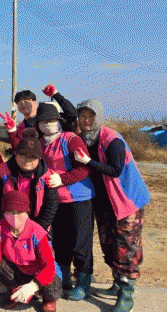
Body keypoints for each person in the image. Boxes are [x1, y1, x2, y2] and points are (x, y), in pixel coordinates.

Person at [76, 100, 150, 312]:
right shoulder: (86, 138)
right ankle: (117, 285)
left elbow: (115, 169)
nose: (86, 120)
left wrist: (88, 162)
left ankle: (126, 296)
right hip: (105, 202)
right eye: (83, 116)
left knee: (126, 249)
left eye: (91, 116)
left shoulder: (112, 140)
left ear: (98, 117)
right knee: (109, 245)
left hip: (126, 201)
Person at [35, 102, 95, 301]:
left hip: (79, 198)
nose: (48, 124)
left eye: (52, 120)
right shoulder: (40, 143)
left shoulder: (71, 139)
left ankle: (84, 284)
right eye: (43, 121)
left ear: (58, 121)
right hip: (55, 200)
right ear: (38, 124)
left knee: (80, 242)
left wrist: (63, 179)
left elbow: (85, 168)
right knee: (60, 242)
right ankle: (64, 279)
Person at [0, 190, 62, 312]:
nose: (14, 216)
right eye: (10, 212)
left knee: (51, 283)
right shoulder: (0, 228)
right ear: (4, 212)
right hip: (20, 270)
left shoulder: (37, 232)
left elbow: (49, 266)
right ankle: (16, 292)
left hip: (41, 272)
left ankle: (49, 300)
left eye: (19, 212)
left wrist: (32, 286)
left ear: (27, 213)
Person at [0, 128, 59, 230]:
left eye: (32, 157)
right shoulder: (2, 172)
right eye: (23, 155)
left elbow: (50, 206)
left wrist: (37, 229)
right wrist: (4, 225)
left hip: (37, 225)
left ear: (39, 158)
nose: (27, 160)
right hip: (7, 225)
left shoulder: (47, 176)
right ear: (16, 155)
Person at [0, 85, 77, 149]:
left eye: (26, 100)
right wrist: (12, 131)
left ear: (35, 102)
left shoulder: (50, 119)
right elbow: (18, 149)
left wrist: (56, 95)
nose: (23, 104)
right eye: (19, 102)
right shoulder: (20, 128)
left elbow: (72, 115)